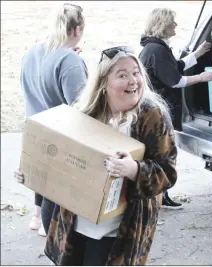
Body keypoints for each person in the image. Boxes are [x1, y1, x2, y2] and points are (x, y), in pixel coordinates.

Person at [15, 46, 178, 266]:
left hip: (118, 233)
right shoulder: (85, 113)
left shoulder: (151, 115)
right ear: (104, 83)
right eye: (122, 75)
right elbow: (58, 161)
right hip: (75, 226)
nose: (133, 81)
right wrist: (32, 172)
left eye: (136, 72)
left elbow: (168, 172)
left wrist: (135, 170)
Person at [17, 3, 87, 237]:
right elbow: (81, 108)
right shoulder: (69, 61)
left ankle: (37, 217)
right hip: (61, 139)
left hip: (35, 131)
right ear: (76, 30)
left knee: (42, 181)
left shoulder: (32, 52)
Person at [139, 8, 212, 208]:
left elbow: (176, 66)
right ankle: (159, 195)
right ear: (163, 25)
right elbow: (176, 80)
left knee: (159, 152)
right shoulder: (156, 51)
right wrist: (202, 77)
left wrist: (197, 54)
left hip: (158, 111)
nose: (175, 26)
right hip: (160, 112)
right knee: (163, 153)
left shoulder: (155, 48)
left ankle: (160, 195)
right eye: (172, 22)